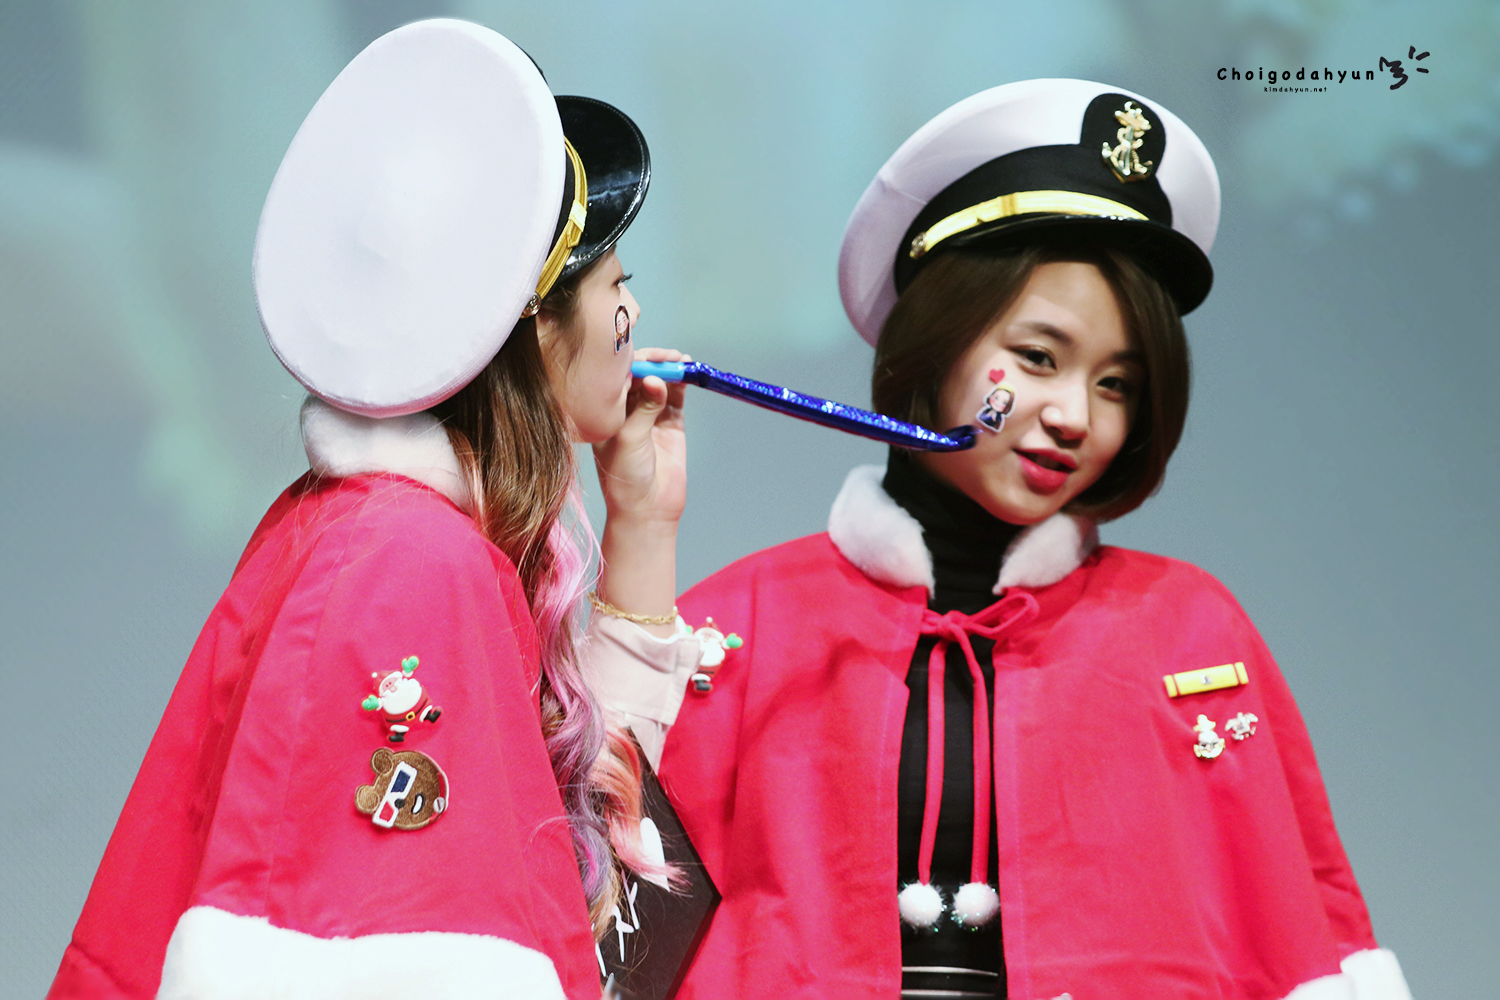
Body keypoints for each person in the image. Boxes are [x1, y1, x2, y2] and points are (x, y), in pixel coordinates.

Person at [587, 80, 1415, 998]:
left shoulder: (1192, 629)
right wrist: (642, 528)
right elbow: (595, 896)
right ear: (935, 343)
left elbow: (1301, 923)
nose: (1075, 416)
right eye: (1038, 357)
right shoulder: (742, 623)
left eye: (1116, 384)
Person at [49, 20, 683, 1000]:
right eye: (617, 285)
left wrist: (641, 523)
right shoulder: (405, 562)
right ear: (533, 322)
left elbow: (562, 887)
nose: (632, 318)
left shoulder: (394, 536)